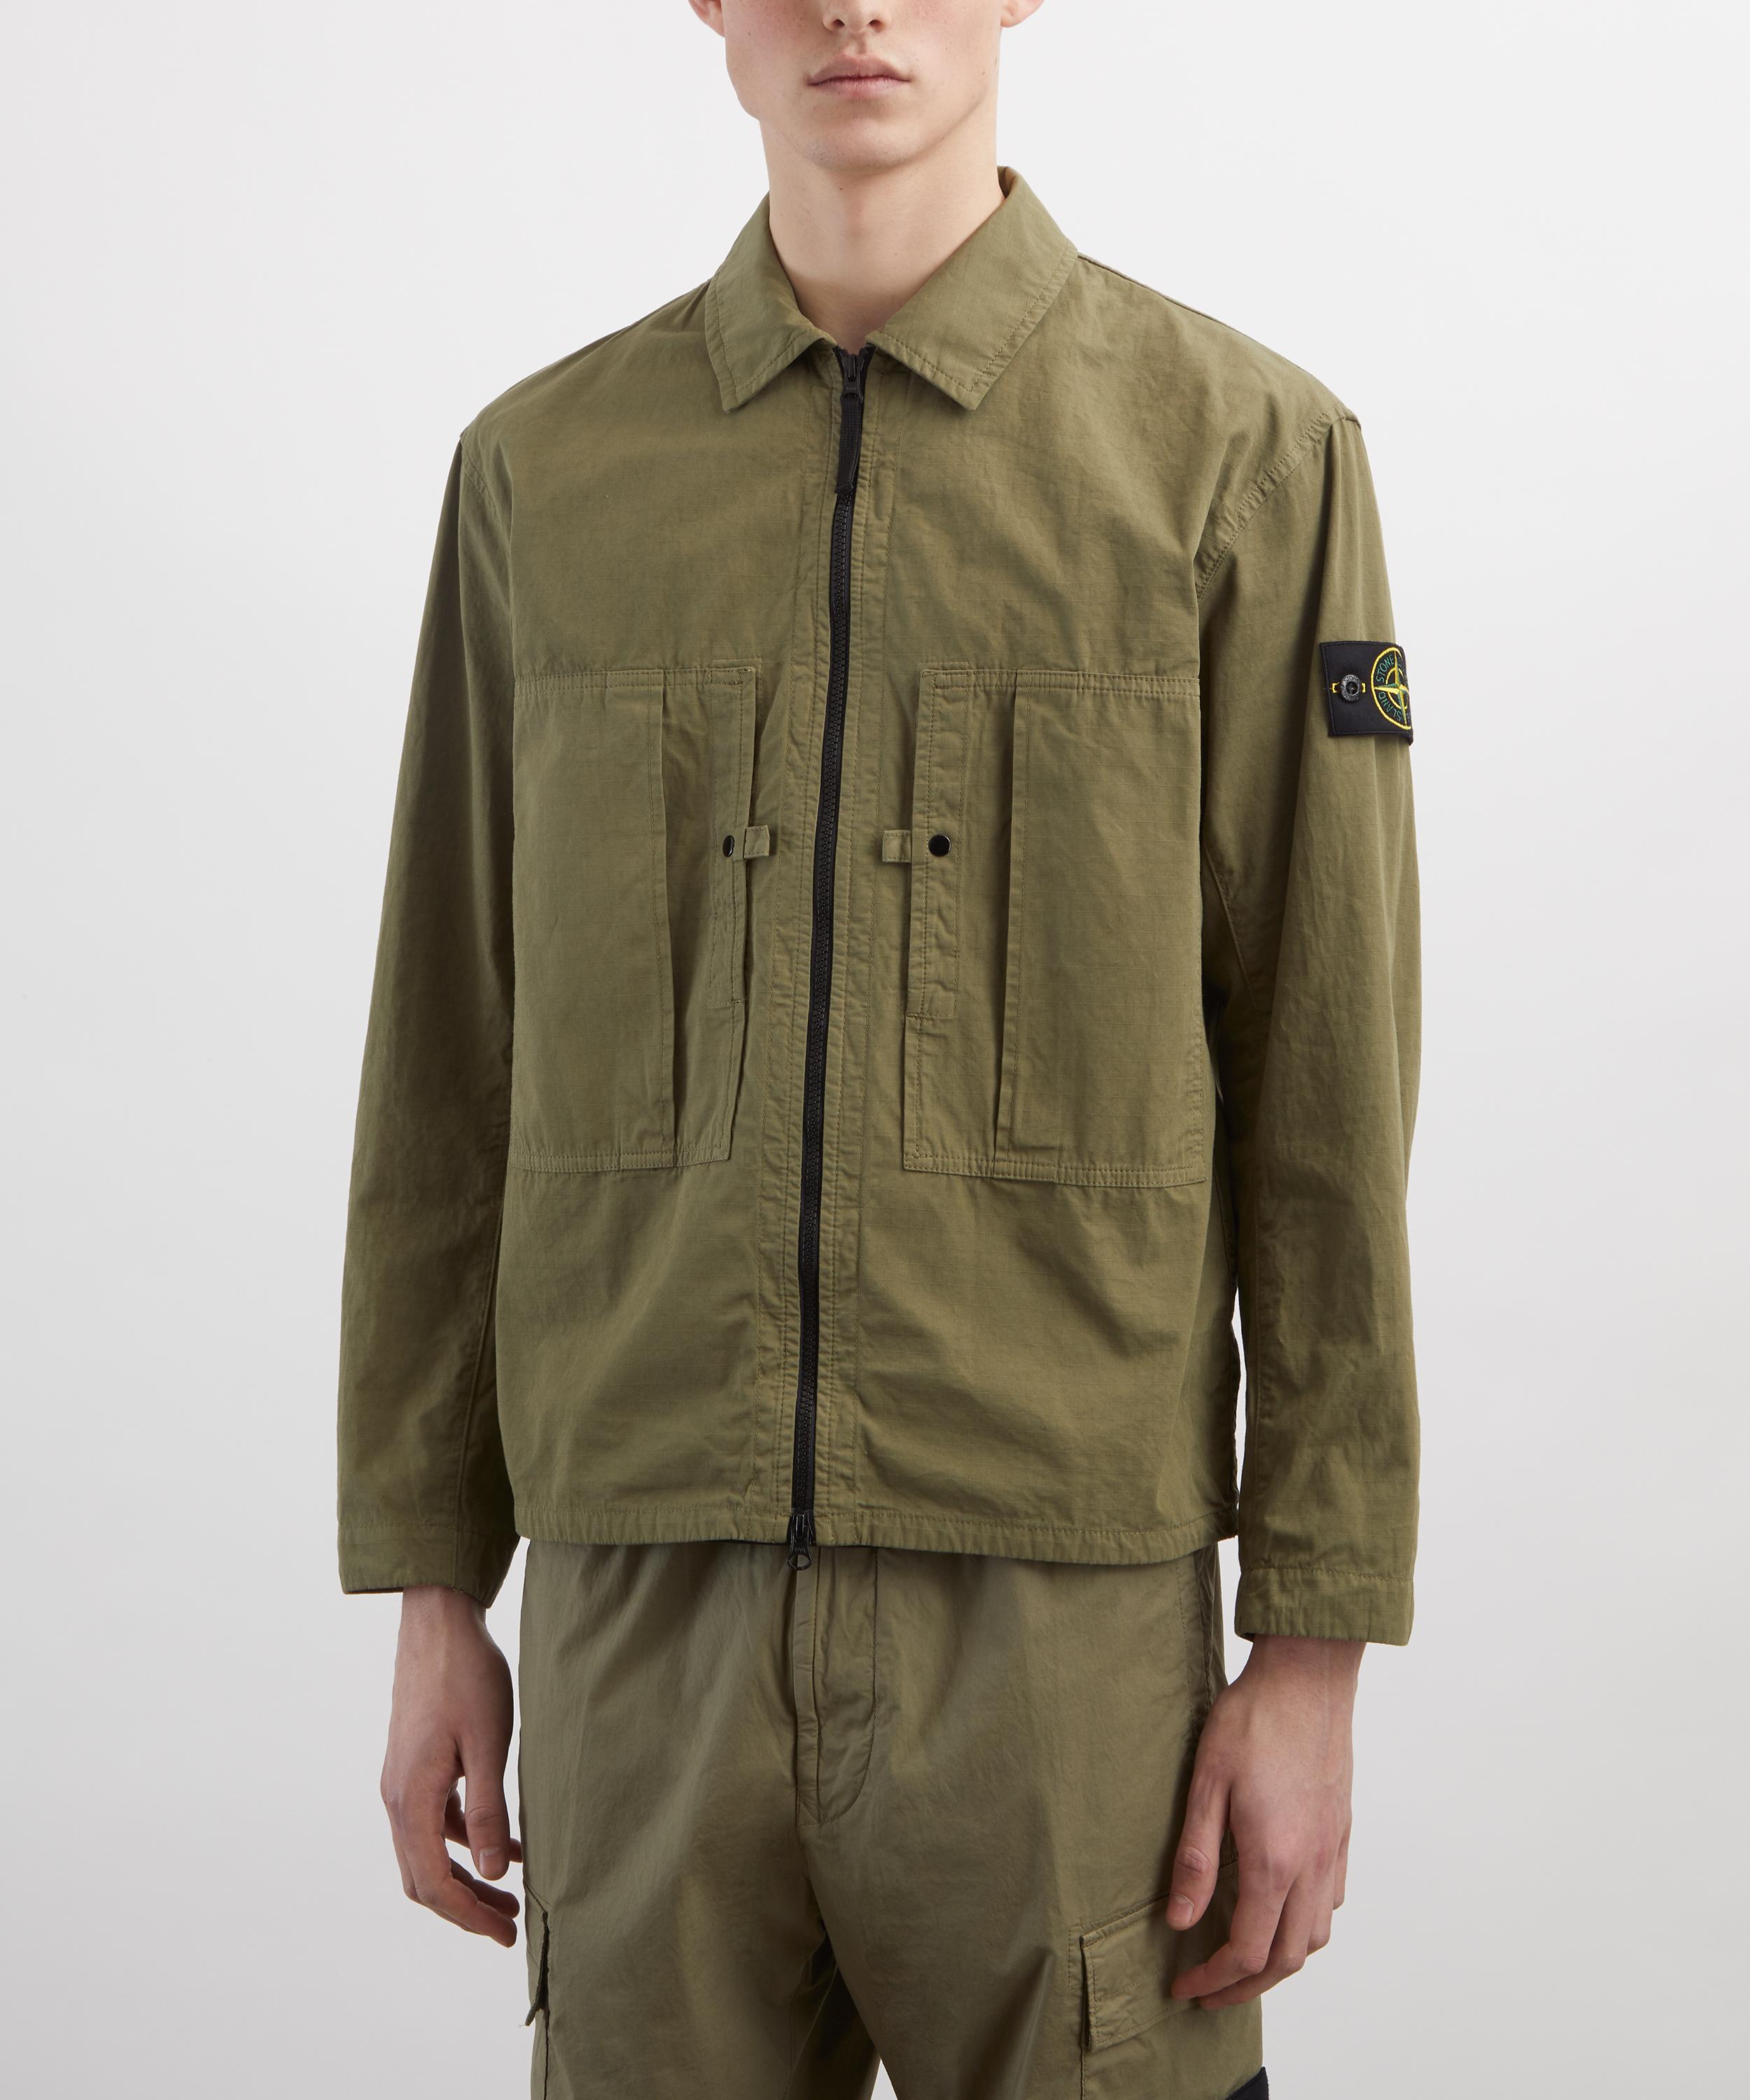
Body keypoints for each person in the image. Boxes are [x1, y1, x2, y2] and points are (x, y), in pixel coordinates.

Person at [335, 4, 1420, 2094]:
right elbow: (448, 1061)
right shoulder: (542, 476)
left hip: (1066, 1616)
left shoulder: (1243, 458)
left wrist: (1313, 1647)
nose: (852, 6)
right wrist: (433, 1584)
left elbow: (1328, 1090)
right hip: (639, 1595)